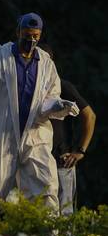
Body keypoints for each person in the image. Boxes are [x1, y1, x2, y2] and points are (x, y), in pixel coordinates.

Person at [0, 13, 80, 236]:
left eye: (35, 36)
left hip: (36, 136)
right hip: (0, 136)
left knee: (44, 188)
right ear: (18, 33)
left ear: (41, 35)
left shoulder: (46, 63)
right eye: (27, 35)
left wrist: (57, 105)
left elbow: (49, 97)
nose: (31, 40)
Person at [40, 46, 97, 215]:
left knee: (63, 217)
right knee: (35, 218)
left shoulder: (62, 86)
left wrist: (80, 150)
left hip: (60, 162)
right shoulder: (29, 89)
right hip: (36, 162)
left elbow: (89, 116)